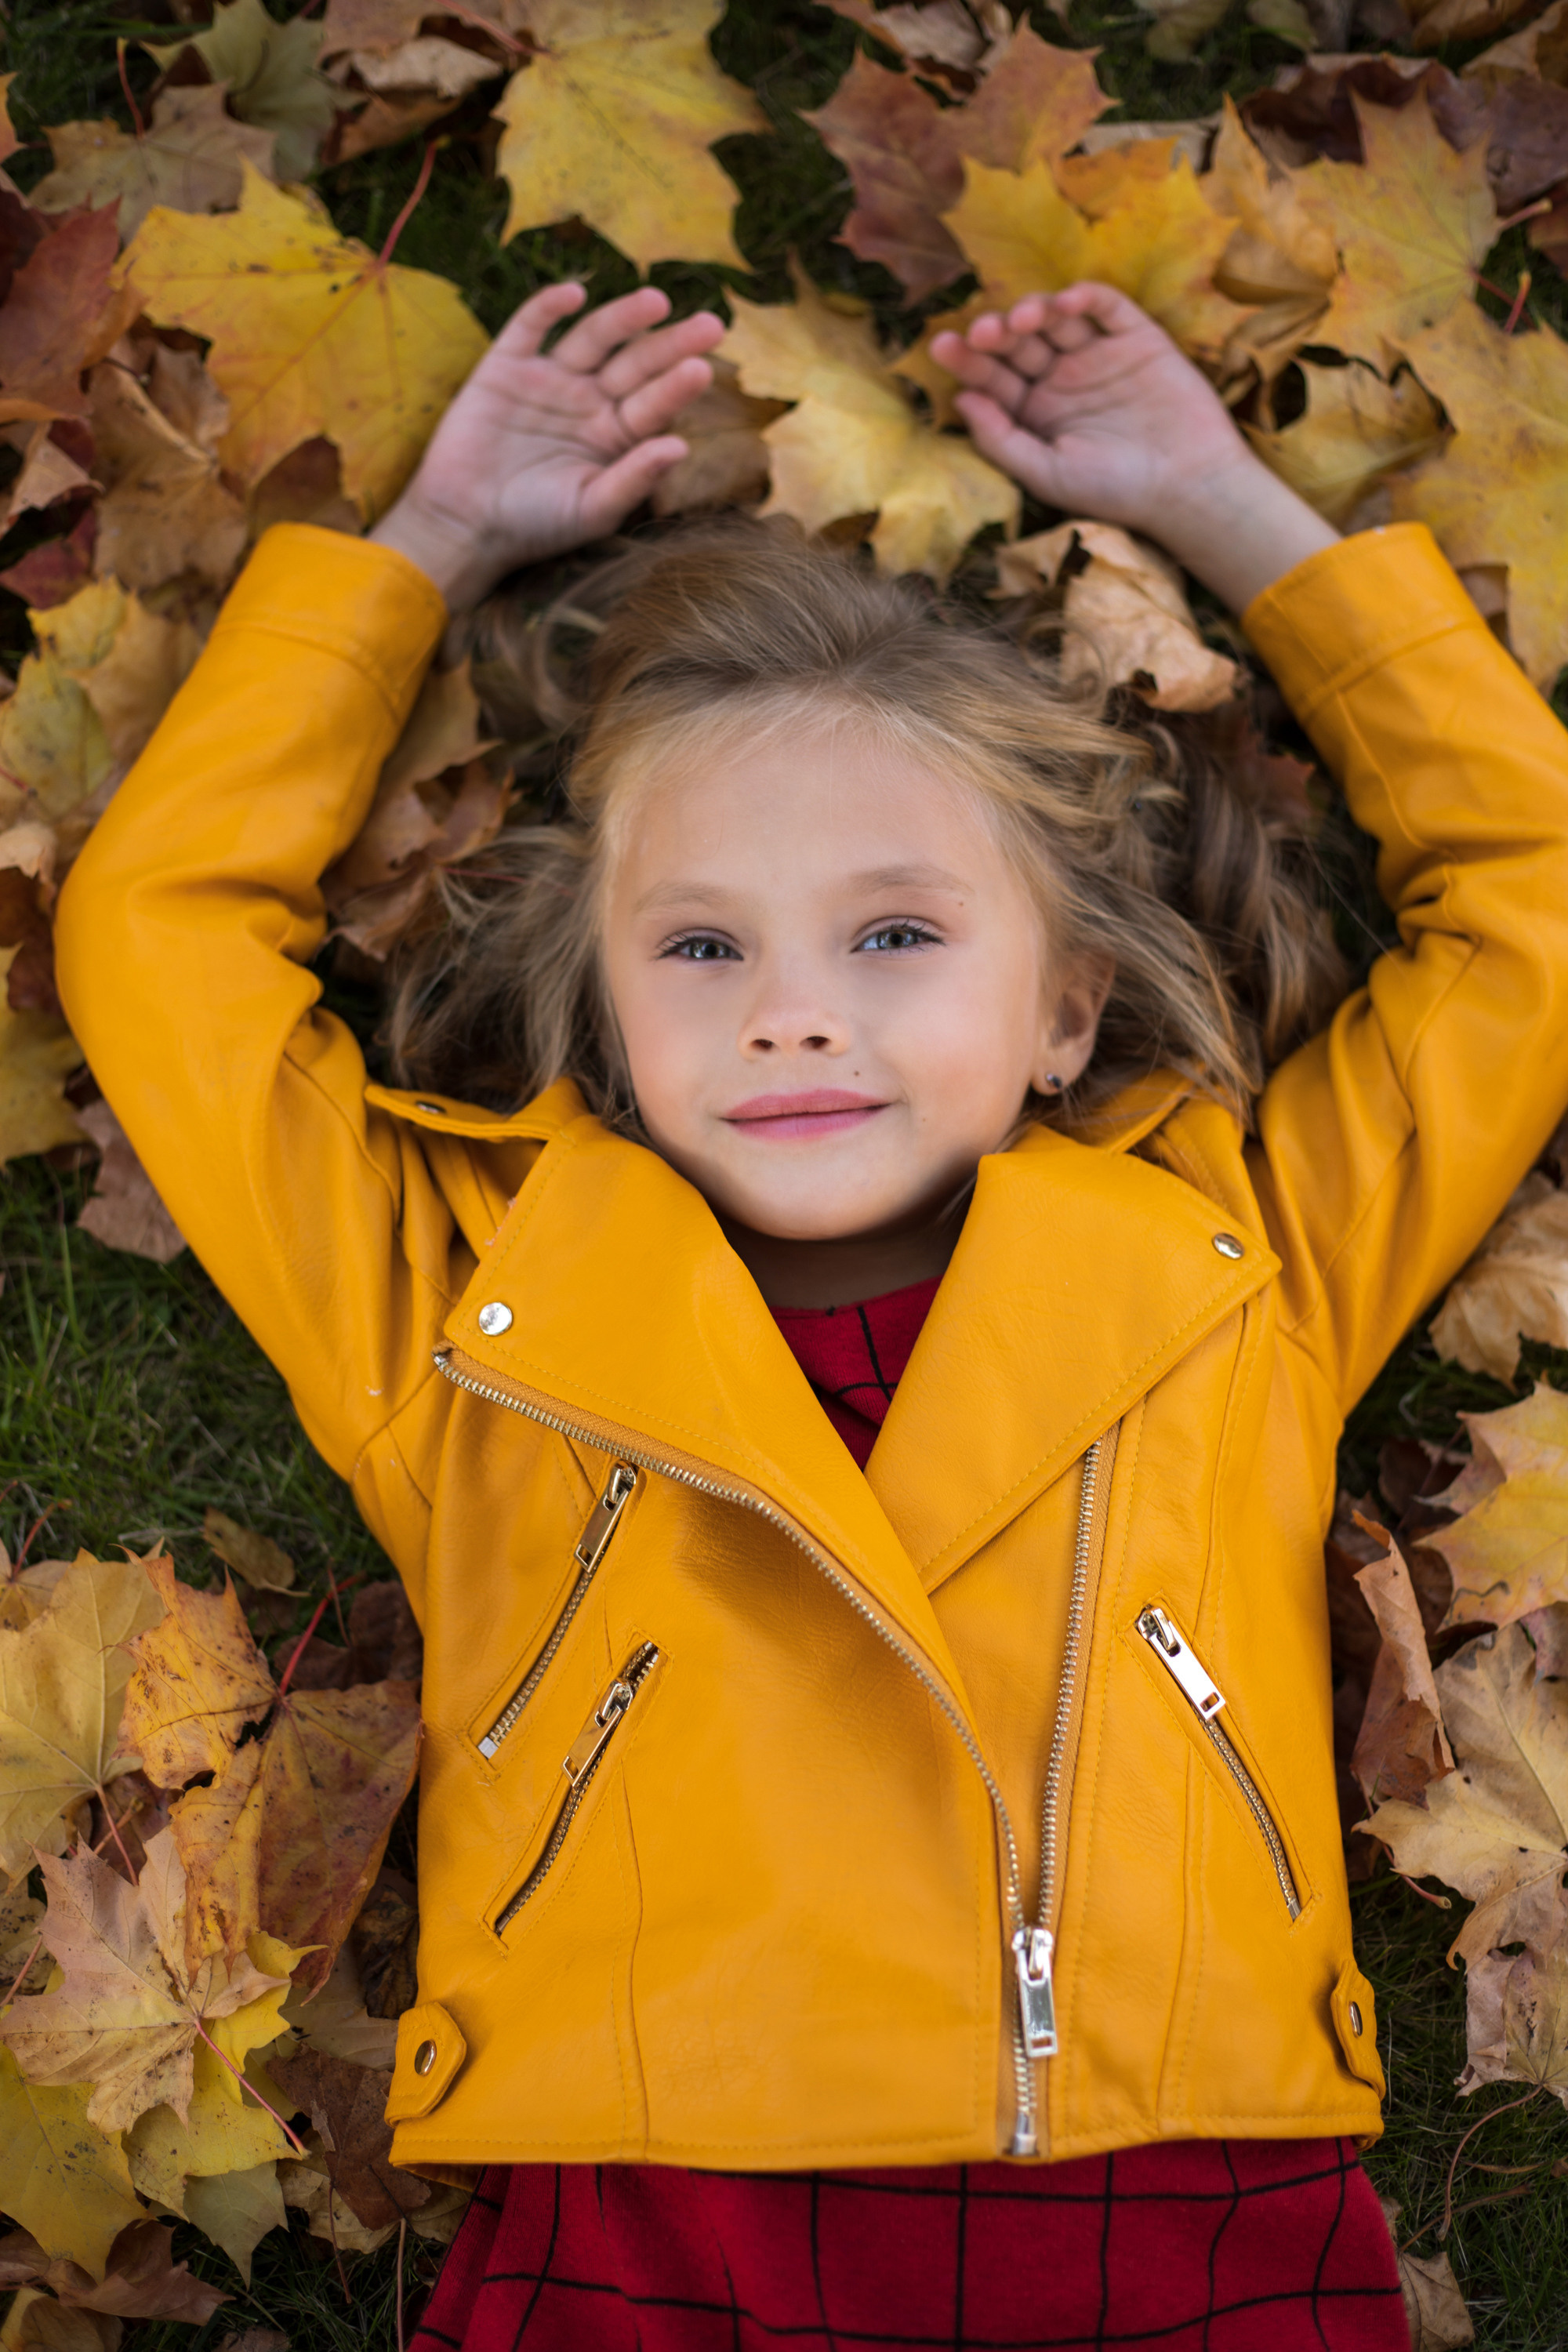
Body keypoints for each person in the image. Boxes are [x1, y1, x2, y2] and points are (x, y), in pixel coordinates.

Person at [54, 273, 1568, 2352]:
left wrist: (1232, 514)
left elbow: (1533, 912)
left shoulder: (1245, 1269)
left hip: (1192, 2216)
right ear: (597, 1016)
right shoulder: (472, 1315)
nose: (790, 1005)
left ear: (1063, 1012)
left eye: (892, 931)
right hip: (648, 2241)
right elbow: (155, 949)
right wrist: (427, 542)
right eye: (697, 944)